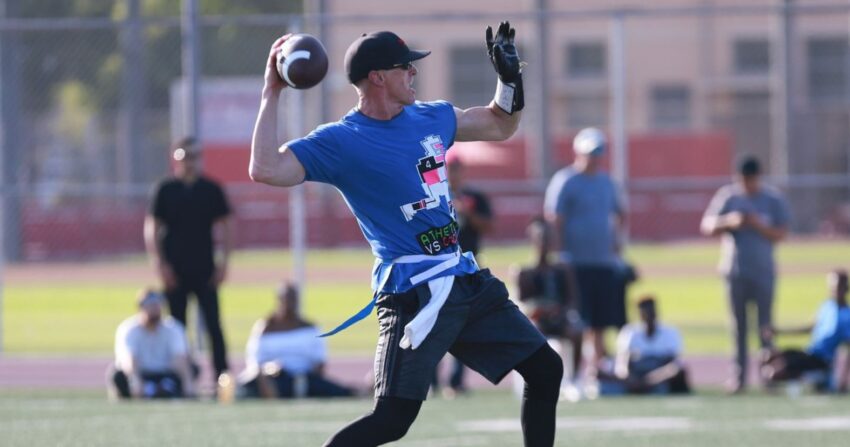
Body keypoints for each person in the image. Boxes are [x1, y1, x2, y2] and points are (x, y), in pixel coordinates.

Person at [250, 23, 562, 447]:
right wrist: (273, 90)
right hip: (413, 292)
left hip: (462, 278)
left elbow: (499, 125)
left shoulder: (431, 116)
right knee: (393, 419)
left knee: (546, 369)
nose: (414, 74)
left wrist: (509, 80)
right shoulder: (342, 140)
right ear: (378, 77)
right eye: (405, 68)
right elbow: (266, 169)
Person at [144, 137, 234, 383]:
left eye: (194, 157)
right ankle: (183, 375)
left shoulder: (210, 189)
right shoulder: (165, 189)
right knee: (177, 326)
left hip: (205, 267)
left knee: (213, 324)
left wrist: (224, 262)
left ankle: (221, 375)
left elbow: (226, 225)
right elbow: (152, 226)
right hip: (175, 268)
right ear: (175, 159)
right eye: (185, 157)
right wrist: (159, 263)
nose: (190, 163)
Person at [700, 155, 790, 394]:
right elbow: (707, 226)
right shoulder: (729, 197)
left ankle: (768, 375)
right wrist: (731, 221)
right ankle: (738, 378)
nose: (747, 184)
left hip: (763, 273)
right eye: (743, 179)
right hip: (735, 271)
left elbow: (781, 233)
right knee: (738, 327)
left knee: (765, 327)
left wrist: (757, 224)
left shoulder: (772, 199)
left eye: (750, 179)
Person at [543, 127, 627, 374]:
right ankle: (577, 370)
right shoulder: (566, 180)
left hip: (602, 260)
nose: (594, 157)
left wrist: (617, 244)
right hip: (575, 262)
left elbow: (620, 214)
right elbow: (554, 217)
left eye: (598, 152)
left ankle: (598, 367)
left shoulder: (607, 182)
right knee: (578, 317)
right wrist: (559, 252)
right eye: (590, 152)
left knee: (600, 318)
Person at [431, 152, 494, 397]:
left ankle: (456, 381)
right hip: (439, 266)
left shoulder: (474, 197)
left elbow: (489, 226)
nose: (454, 173)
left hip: (468, 265)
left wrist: (468, 213)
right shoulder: (435, 195)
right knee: (435, 320)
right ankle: (431, 380)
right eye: (450, 168)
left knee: (464, 321)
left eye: (458, 168)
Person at [237, 282, 355, 399]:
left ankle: (357, 392)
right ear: (279, 300)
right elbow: (254, 362)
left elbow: (320, 362)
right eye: (286, 300)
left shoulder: (310, 328)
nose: (289, 304)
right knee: (246, 387)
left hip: (305, 379)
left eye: (292, 300)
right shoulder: (265, 328)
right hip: (274, 379)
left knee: (332, 390)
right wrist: (268, 370)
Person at [512, 216, 583, 386]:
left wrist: (560, 311)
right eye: (541, 239)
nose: (544, 244)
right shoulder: (524, 271)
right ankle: (534, 379)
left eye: (547, 240)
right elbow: (519, 303)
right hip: (536, 320)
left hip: (559, 318)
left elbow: (572, 300)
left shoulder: (562, 269)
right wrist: (535, 309)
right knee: (532, 333)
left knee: (577, 330)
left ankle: (574, 380)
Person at [761, 270, 850, 393]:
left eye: (837, 288)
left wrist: (844, 380)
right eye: (832, 288)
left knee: (773, 373)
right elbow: (809, 328)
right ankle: (798, 380)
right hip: (810, 353)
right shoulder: (827, 306)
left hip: (821, 361)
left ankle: (809, 379)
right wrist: (780, 331)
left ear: (846, 289)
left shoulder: (846, 316)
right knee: (766, 356)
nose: (834, 291)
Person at [108, 289, 196, 399]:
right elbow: (128, 359)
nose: (155, 309)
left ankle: (162, 389)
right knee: (117, 376)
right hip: (141, 374)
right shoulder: (129, 329)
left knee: (192, 369)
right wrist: (135, 380)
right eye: (151, 306)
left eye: (157, 305)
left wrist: (188, 383)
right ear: (141, 308)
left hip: (165, 373)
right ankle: (151, 389)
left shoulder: (173, 328)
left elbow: (180, 357)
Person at [598, 295, 690, 395]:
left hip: (659, 374)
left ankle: (643, 386)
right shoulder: (629, 332)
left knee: (678, 370)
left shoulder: (670, 332)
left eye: (651, 312)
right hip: (634, 374)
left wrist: (649, 380)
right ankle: (639, 386)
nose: (648, 316)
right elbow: (622, 362)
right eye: (645, 312)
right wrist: (629, 377)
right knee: (599, 371)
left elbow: (672, 362)